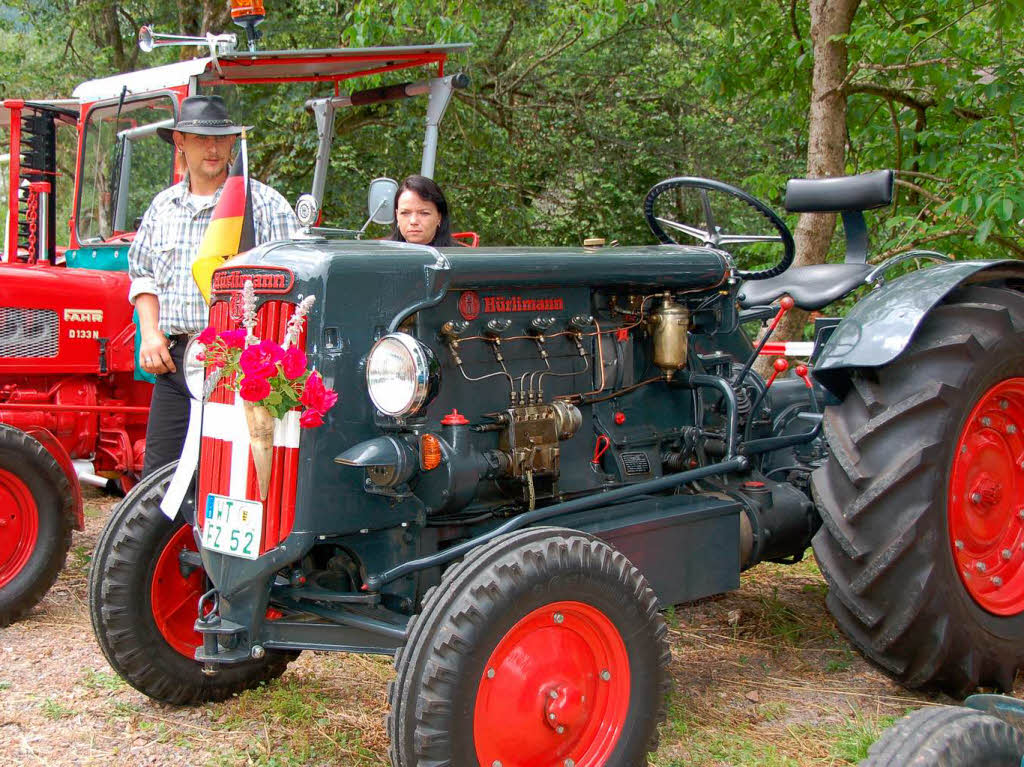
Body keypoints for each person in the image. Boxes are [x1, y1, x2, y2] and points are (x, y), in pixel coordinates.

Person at [128, 95, 299, 477]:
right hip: (175, 360)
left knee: (230, 474)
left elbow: (297, 276)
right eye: (201, 138)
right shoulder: (162, 208)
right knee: (158, 479)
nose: (213, 148)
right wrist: (151, 335)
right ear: (180, 142)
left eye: (222, 138)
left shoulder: (263, 204)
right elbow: (143, 276)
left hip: (239, 364)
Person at [389, 175, 457, 247]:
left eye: (424, 213)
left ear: (439, 217)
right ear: (397, 216)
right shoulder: (381, 254)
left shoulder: (459, 256)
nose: (413, 221)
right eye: (405, 213)